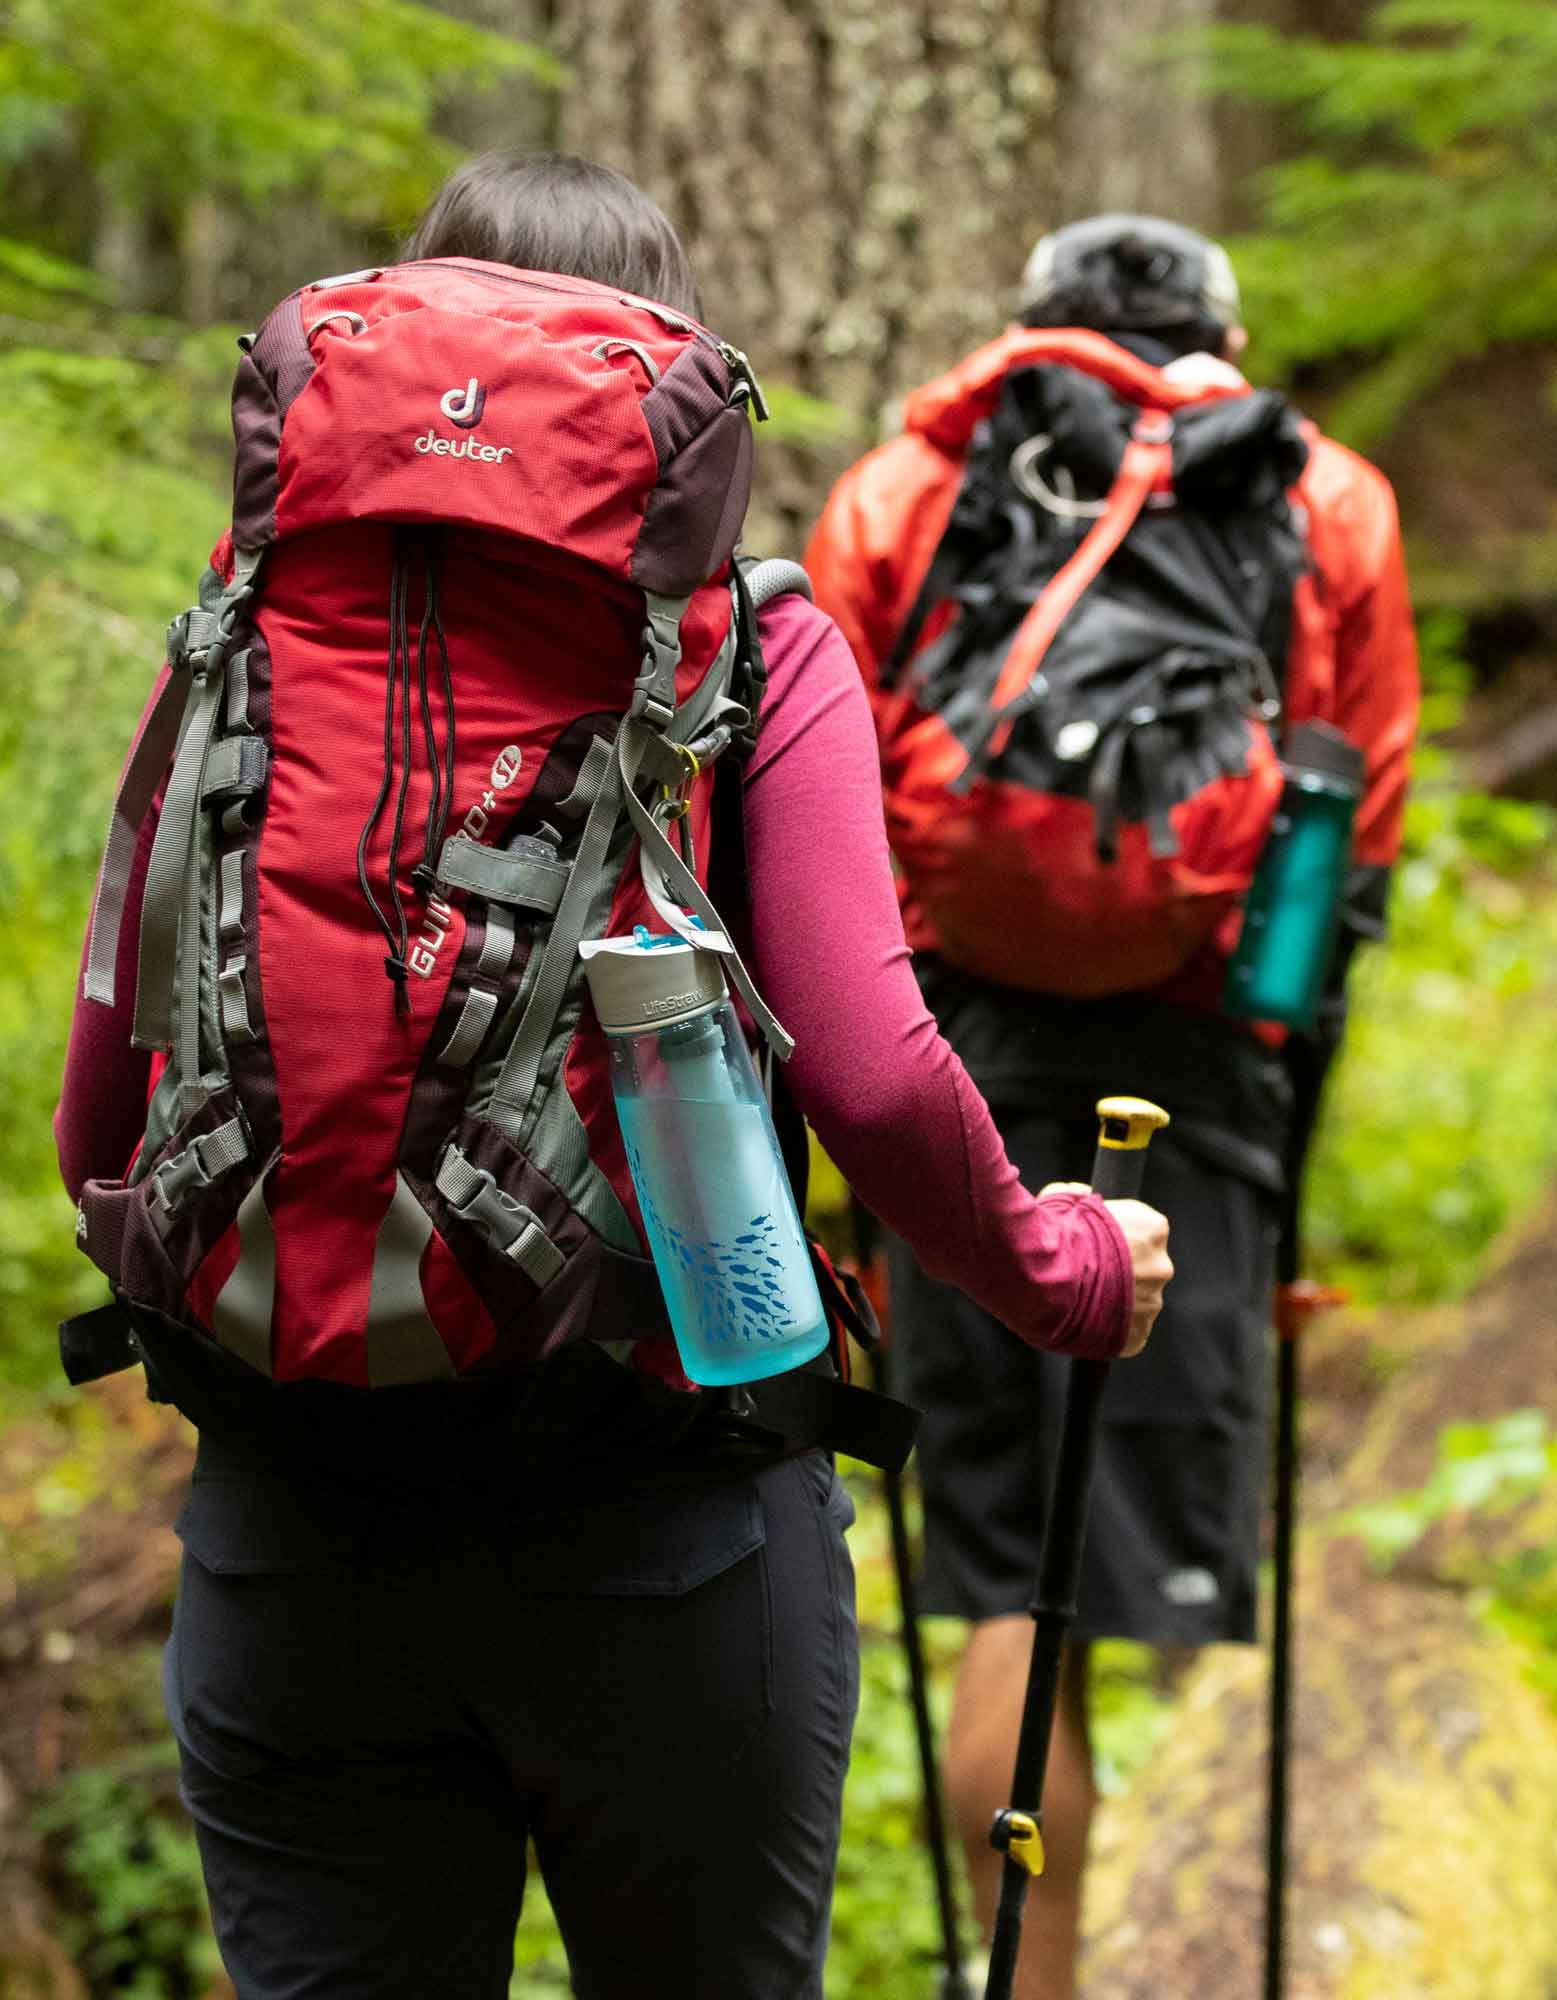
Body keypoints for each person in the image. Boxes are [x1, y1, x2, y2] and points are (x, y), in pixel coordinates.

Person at [54, 157, 1171, 2000]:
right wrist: (1058, 1270)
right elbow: (881, 1083)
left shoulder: (245, 637)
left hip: (292, 1540)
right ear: (658, 367)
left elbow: (105, 1118)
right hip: (659, 1534)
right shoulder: (748, 646)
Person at [805, 212, 1419, 2000]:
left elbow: (815, 821)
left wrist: (858, 1132)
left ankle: (1023, 1981)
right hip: (1204, 1067)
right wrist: (1279, 1140)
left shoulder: (905, 491)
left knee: (1002, 1571)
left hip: (949, 1065)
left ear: (1033, 332)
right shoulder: (1331, 503)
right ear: (1221, 331)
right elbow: (1346, 839)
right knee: (1100, 1564)